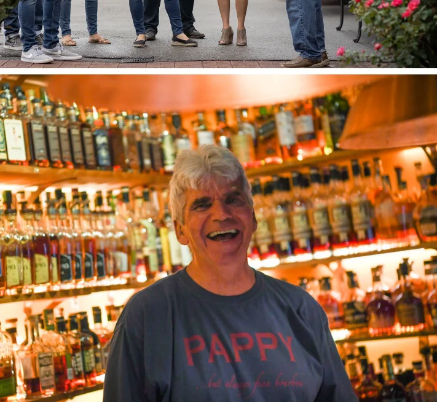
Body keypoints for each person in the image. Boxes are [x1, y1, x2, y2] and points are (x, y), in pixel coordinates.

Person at [101, 146, 356, 402]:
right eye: (201, 205)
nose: (221, 215)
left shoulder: (301, 309)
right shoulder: (146, 315)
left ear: (253, 217)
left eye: (233, 199)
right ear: (180, 231)